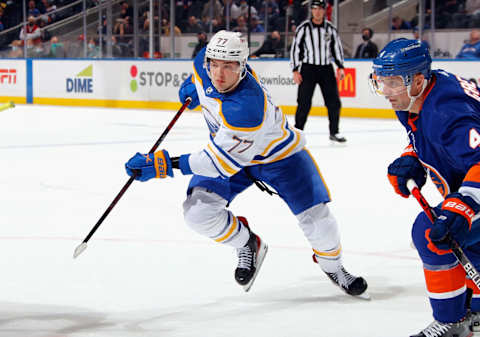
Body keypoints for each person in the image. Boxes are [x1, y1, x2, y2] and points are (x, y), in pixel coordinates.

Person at [124, 30, 368, 296]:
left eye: (228, 67)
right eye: (214, 65)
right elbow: (201, 78)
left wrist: (164, 164)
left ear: (242, 67)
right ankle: (247, 244)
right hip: (232, 155)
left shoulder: (248, 106)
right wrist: (195, 88)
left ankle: (333, 266)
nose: (218, 74)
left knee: (320, 223)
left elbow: (216, 163)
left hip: (279, 157)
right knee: (197, 213)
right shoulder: (202, 65)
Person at [370, 38, 480, 336]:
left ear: (417, 80)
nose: (386, 92)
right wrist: (412, 157)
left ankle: (453, 320)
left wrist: (463, 206)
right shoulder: (422, 95)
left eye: (393, 82)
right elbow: (428, 136)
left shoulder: (448, 112)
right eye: (382, 81)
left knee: (431, 231)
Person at [290, 0, 347, 143]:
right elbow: (296, 49)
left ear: (324, 11)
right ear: (311, 10)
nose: (317, 12)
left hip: (326, 68)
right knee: (304, 102)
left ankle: (334, 132)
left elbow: (337, 48)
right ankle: (298, 132)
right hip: (308, 68)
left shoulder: (331, 29)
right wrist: (295, 69)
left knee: (334, 102)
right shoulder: (303, 28)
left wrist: (340, 66)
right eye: (315, 9)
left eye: (320, 9)